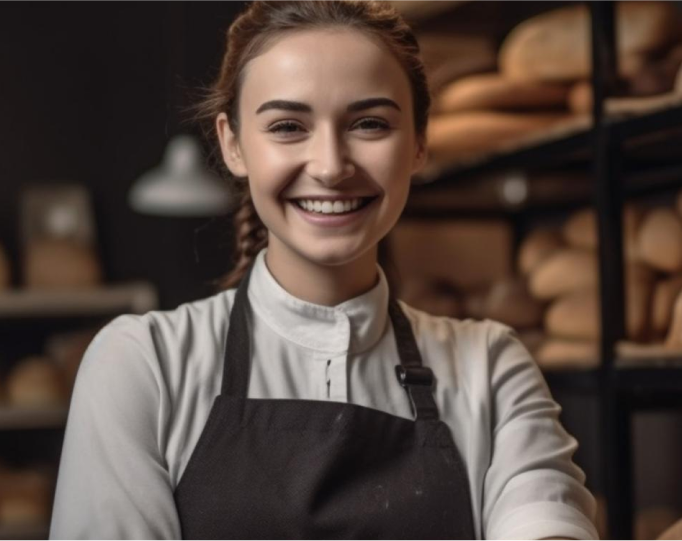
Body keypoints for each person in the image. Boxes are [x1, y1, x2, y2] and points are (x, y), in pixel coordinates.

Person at [49, 1, 597, 539]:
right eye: (288, 126)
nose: (332, 166)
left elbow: (546, 517)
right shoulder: (144, 365)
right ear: (233, 144)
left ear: (419, 145)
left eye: (369, 123)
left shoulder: (490, 367)